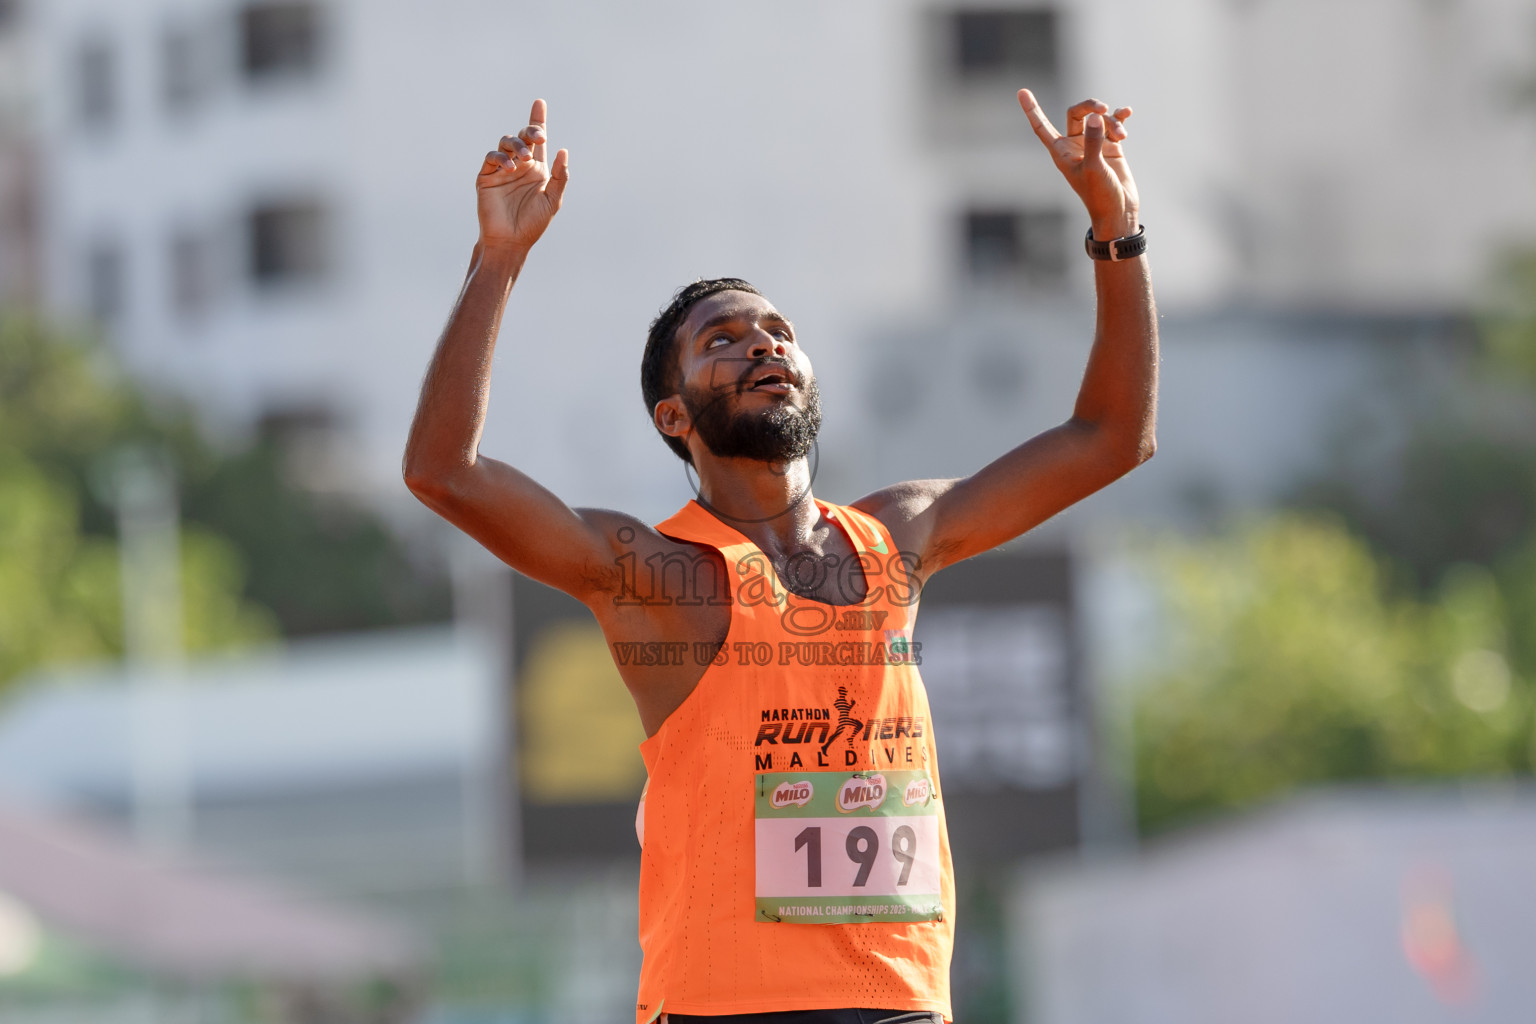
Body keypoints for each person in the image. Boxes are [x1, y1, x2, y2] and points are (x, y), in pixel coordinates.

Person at [404, 88, 1157, 1024]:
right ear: (672, 418)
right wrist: (499, 258)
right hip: (725, 1008)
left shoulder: (900, 536)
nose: (762, 343)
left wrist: (1116, 230)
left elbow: (1111, 437)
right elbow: (445, 472)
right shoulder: (653, 571)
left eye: (779, 332)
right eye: (721, 340)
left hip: (902, 1002)